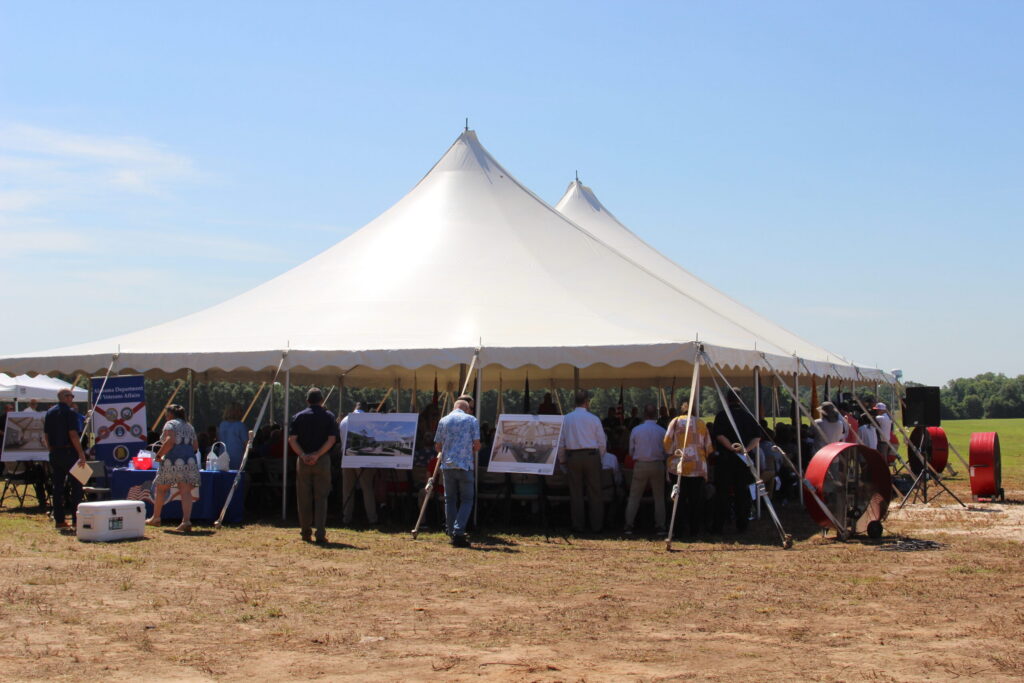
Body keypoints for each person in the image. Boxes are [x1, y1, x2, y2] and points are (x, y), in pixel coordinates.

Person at [288, 388, 337, 544]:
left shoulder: (298, 417)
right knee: (321, 497)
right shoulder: (329, 417)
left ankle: (305, 532)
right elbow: (331, 440)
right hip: (322, 460)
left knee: (303, 497)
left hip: (303, 460)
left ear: (307, 400)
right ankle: (320, 533)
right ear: (322, 400)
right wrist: (318, 454)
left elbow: (292, 439)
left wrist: (303, 455)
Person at [711, 388, 760, 534]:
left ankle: (718, 525)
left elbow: (719, 435)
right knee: (742, 493)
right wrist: (746, 449)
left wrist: (731, 448)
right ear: (740, 399)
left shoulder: (721, 416)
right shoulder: (748, 416)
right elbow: (757, 438)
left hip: (726, 459)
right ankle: (742, 524)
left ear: (727, 399)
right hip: (743, 460)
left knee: (722, 493)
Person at [558, 389, 607, 534]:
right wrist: (600, 458)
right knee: (595, 492)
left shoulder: (566, 419)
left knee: (576, 492)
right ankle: (597, 526)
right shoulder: (594, 419)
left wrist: (562, 460)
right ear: (587, 402)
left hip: (573, 456)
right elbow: (602, 442)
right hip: (591, 456)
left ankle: (578, 525)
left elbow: (561, 442)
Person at [433, 399, 480, 547]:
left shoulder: (443, 420)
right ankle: (458, 532)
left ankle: (451, 530)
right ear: (466, 409)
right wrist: (467, 451)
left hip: (447, 466)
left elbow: (438, 446)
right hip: (465, 465)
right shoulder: (472, 420)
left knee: (450, 500)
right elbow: (477, 445)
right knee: (467, 500)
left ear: (454, 408)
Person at [147, 404, 200, 533]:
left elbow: (169, 442)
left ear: (170, 414)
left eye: (166, 413)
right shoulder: (189, 426)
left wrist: (159, 455)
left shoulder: (170, 424)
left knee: (161, 488)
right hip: (189, 462)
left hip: (172, 461)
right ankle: (186, 521)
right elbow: (195, 446)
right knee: (185, 491)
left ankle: (156, 518)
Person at [663, 402, 713, 537]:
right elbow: (708, 447)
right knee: (696, 500)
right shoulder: (702, 424)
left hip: (679, 466)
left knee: (678, 499)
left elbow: (667, 444)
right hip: (698, 468)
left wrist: (672, 451)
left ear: (682, 411)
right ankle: (694, 530)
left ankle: (679, 529)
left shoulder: (675, 421)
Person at [42, 389, 87, 530]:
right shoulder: (70, 412)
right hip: (70, 452)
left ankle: (60, 521)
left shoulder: (50, 412)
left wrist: (51, 449)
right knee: (77, 487)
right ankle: (76, 520)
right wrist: (81, 453)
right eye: (71, 396)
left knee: (57, 488)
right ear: (66, 397)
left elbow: (46, 434)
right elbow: (73, 434)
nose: (72, 399)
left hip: (55, 453)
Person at [623, 404, 667, 535]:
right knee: (659, 497)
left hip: (640, 464)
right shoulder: (662, 431)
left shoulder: (636, 430)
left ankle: (628, 525)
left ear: (644, 414)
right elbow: (666, 451)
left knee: (634, 496)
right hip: (657, 464)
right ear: (656, 415)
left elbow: (631, 451)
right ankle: (660, 526)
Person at [338, 403, 378, 526]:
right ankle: (372, 518)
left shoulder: (344, 420)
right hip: (362, 458)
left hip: (346, 457)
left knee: (347, 489)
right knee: (367, 489)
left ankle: (346, 517)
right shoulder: (366, 420)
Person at [218, 403, 248, 469]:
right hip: (236, 456)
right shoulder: (240, 426)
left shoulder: (222, 425)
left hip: (223, 455)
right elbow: (247, 445)